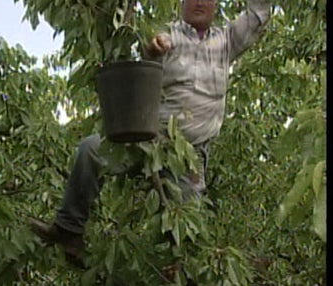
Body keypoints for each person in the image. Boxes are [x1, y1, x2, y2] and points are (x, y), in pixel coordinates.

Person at [29, 0, 272, 269]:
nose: (199, 2)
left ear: (216, 5)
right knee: (90, 150)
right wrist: (154, 48)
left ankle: (180, 270)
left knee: (186, 234)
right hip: (149, 141)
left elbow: (257, 15)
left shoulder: (226, 42)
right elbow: (151, 49)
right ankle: (69, 230)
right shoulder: (169, 33)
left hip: (189, 156)